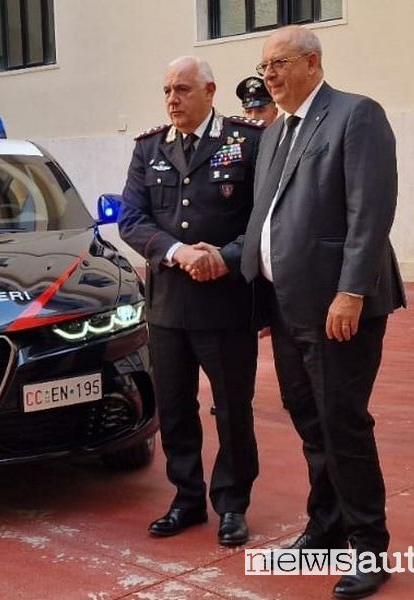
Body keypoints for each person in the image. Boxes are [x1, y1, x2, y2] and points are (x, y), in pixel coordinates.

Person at [238, 26, 405, 598]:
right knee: (309, 419)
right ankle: (327, 526)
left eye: (279, 63)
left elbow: (371, 212)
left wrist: (352, 291)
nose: (269, 75)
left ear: (312, 62)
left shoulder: (356, 116)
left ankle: (369, 546)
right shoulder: (276, 132)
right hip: (288, 306)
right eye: (264, 66)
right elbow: (266, 218)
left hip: (340, 307)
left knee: (342, 423)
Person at [119, 56, 264, 547]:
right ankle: (186, 498)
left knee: (231, 409)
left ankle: (232, 504)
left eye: (182, 89)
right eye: (166, 91)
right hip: (168, 306)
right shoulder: (150, 147)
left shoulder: (247, 140)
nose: (172, 99)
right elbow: (131, 220)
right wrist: (179, 253)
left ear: (210, 91)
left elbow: (263, 217)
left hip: (225, 304)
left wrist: (225, 257)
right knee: (176, 407)